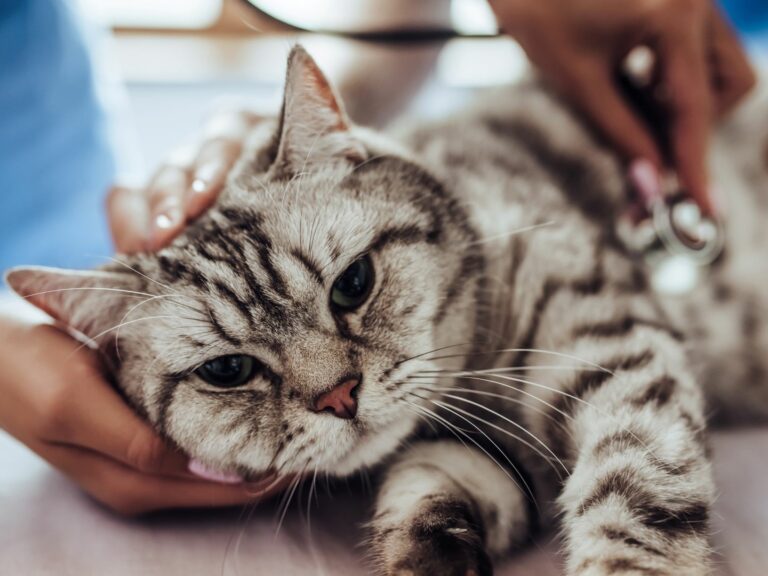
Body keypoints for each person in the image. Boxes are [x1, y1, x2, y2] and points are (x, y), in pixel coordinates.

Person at [0, 0, 759, 515]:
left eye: (352, 286)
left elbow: (401, 23)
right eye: (228, 369)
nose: (334, 392)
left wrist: (317, 140)